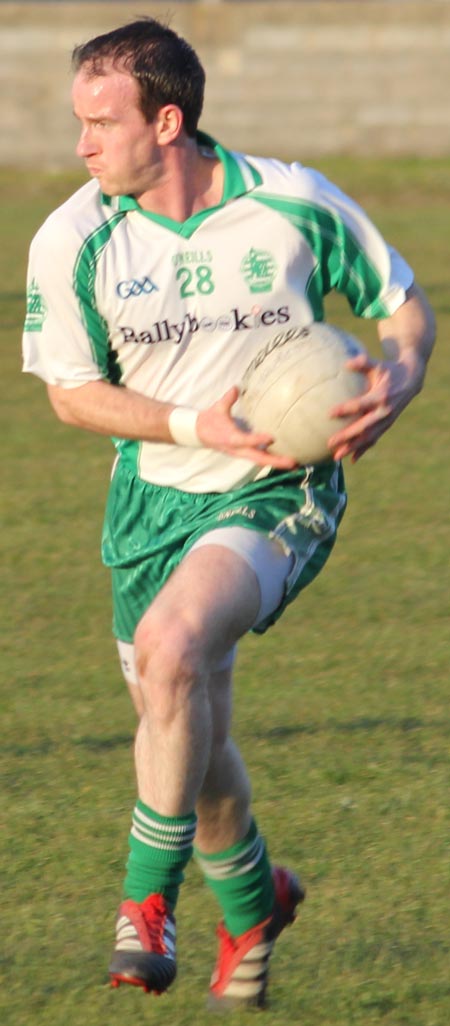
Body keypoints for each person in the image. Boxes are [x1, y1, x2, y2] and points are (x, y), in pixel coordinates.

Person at [22, 16, 435, 1011]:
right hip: (152, 499)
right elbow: (71, 394)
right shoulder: (76, 237)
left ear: (169, 122)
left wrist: (402, 377)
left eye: (101, 122)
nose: (82, 145)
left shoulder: (291, 203)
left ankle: (142, 908)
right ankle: (253, 904)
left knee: (173, 650)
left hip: (280, 491)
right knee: (192, 745)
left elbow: (403, 309)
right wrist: (192, 421)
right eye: (79, 121)